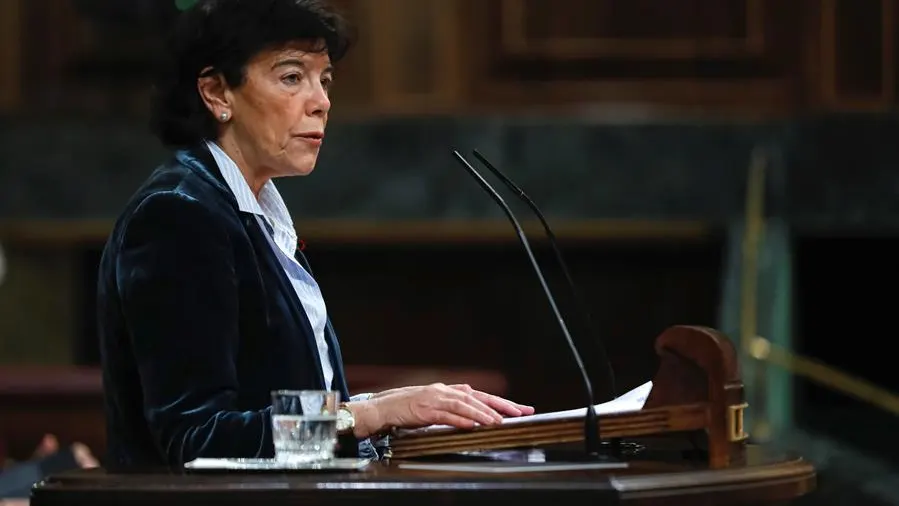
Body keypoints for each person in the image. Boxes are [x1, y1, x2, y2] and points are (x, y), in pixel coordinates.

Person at [96, 0, 534, 472]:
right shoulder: (178, 217)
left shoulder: (247, 213)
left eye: (324, 80)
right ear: (217, 93)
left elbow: (280, 419)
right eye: (291, 77)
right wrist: (367, 415)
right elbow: (199, 439)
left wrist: (389, 414)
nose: (321, 100)